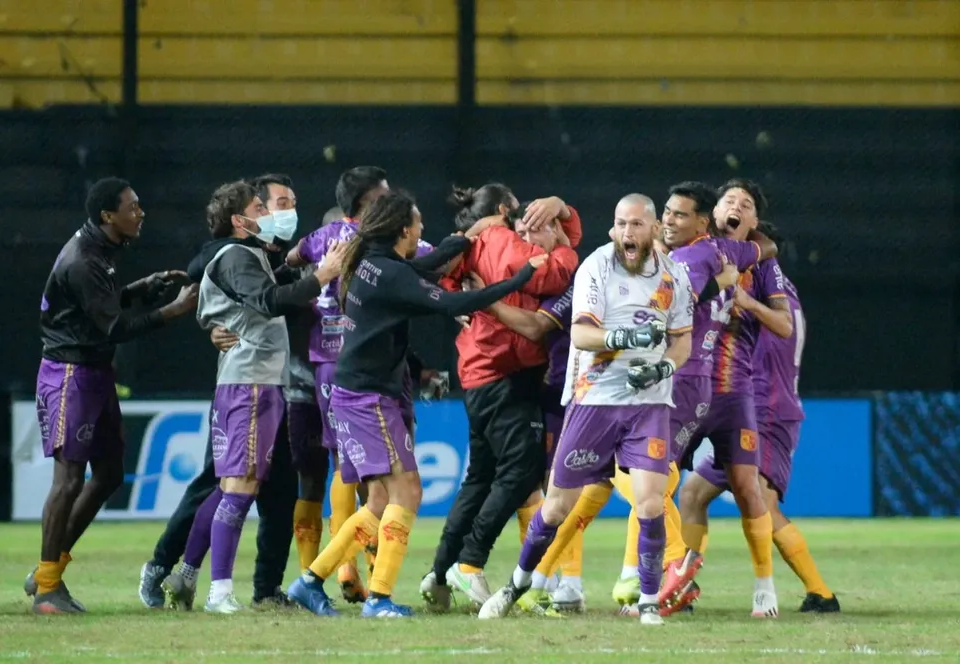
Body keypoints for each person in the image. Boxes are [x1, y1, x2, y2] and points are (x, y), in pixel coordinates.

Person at [286, 191, 546, 618]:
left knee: (377, 502)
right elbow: (453, 302)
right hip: (369, 397)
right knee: (408, 491)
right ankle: (379, 600)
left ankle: (310, 581)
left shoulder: (369, 259)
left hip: (355, 392)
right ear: (404, 230)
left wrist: (465, 238)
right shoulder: (388, 272)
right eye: (419, 223)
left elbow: (424, 265)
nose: (423, 230)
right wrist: (518, 280)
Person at [476, 193, 694, 626]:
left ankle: (649, 602)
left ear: (653, 229)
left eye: (635, 225)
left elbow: (682, 340)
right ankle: (516, 584)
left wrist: (664, 367)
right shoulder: (597, 265)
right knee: (557, 506)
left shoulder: (676, 276)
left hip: (648, 402)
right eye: (620, 224)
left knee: (651, 503)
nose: (626, 233)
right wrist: (625, 340)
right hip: (594, 399)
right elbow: (580, 334)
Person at [158, 180, 340, 614]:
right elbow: (268, 299)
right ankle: (219, 593)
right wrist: (322, 275)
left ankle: (185, 573)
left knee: (228, 489)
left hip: (250, 381)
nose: (271, 213)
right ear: (240, 220)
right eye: (262, 207)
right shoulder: (237, 255)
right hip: (251, 383)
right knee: (239, 488)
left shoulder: (248, 254)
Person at [28, 177, 197, 614]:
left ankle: (49, 568)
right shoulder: (85, 260)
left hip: (92, 372)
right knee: (67, 481)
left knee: (108, 475)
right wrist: (173, 310)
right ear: (108, 215)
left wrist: (140, 289)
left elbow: (99, 305)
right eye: (132, 206)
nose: (140, 212)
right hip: (71, 374)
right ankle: (47, 589)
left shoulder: (98, 251)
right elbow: (115, 327)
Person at [421, 185, 582, 609]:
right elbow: (549, 274)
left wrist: (562, 211)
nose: (530, 228)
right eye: (524, 218)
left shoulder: (473, 241)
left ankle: (440, 571)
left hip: (482, 373)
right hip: (502, 374)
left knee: (480, 477)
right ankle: (470, 563)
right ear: (502, 212)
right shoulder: (499, 240)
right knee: (523, 466)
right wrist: (565, 249)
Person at [683, 221, 840, 613]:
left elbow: (775, 338)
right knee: (692, 493)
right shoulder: (781, 292)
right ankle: (681, 585)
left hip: (765, 409)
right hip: (751, 407)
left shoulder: (769, 296)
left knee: (760, 502)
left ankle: (820, 593)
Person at [663, 179, 791, 618]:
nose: (736, 207)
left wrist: (745, 302)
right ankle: (673, 582)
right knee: (664, 488)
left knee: (747, 489)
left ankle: (764, 587)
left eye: (747, 204)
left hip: (734, 393)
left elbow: (785, 326)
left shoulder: (759, 264)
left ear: (754, 221)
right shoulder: (692, 250)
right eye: (729, 200)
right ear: (711, 213)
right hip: (682, 387)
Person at [285, 166, 389, 602]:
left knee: (330, 470)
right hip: (348, 369)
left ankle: (335, 570)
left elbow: (290, 260)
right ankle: (348, 568)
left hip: (312, 371)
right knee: (361, 471)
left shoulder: (317, 244)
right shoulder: (372, 244)